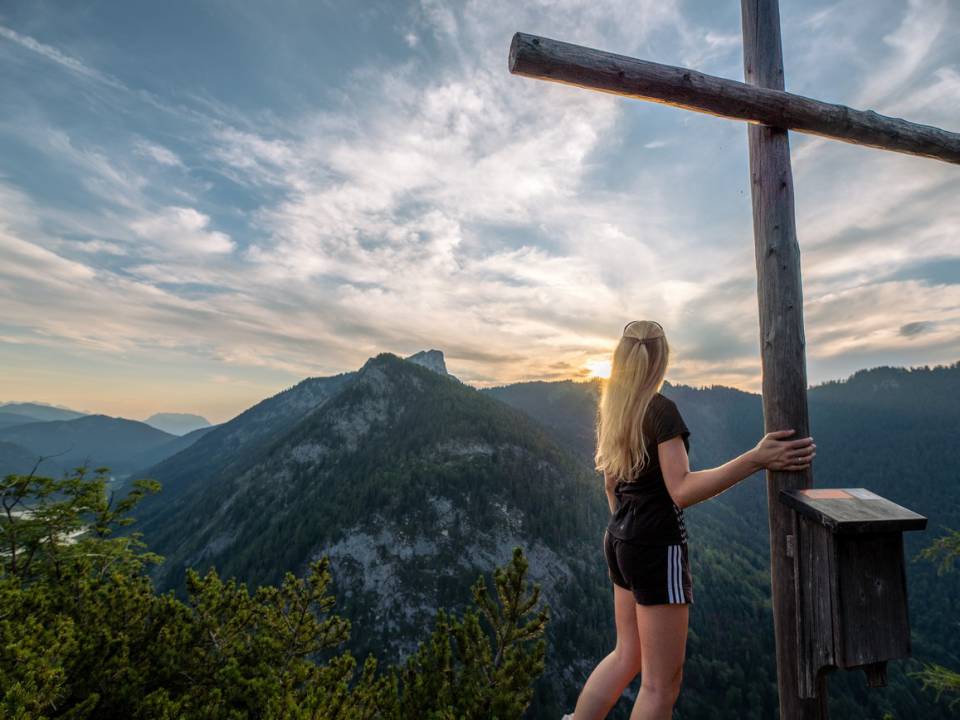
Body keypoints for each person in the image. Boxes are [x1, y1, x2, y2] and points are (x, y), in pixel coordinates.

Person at [564, 320, 816, 720]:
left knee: (625, 654)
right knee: (661, 685)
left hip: (619, 538)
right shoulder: (661, 410)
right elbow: (680, 489)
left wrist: (627, 530)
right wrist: (756, 458)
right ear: (661, 359)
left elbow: (610, 484)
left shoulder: (614, 407)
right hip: (653, 546)